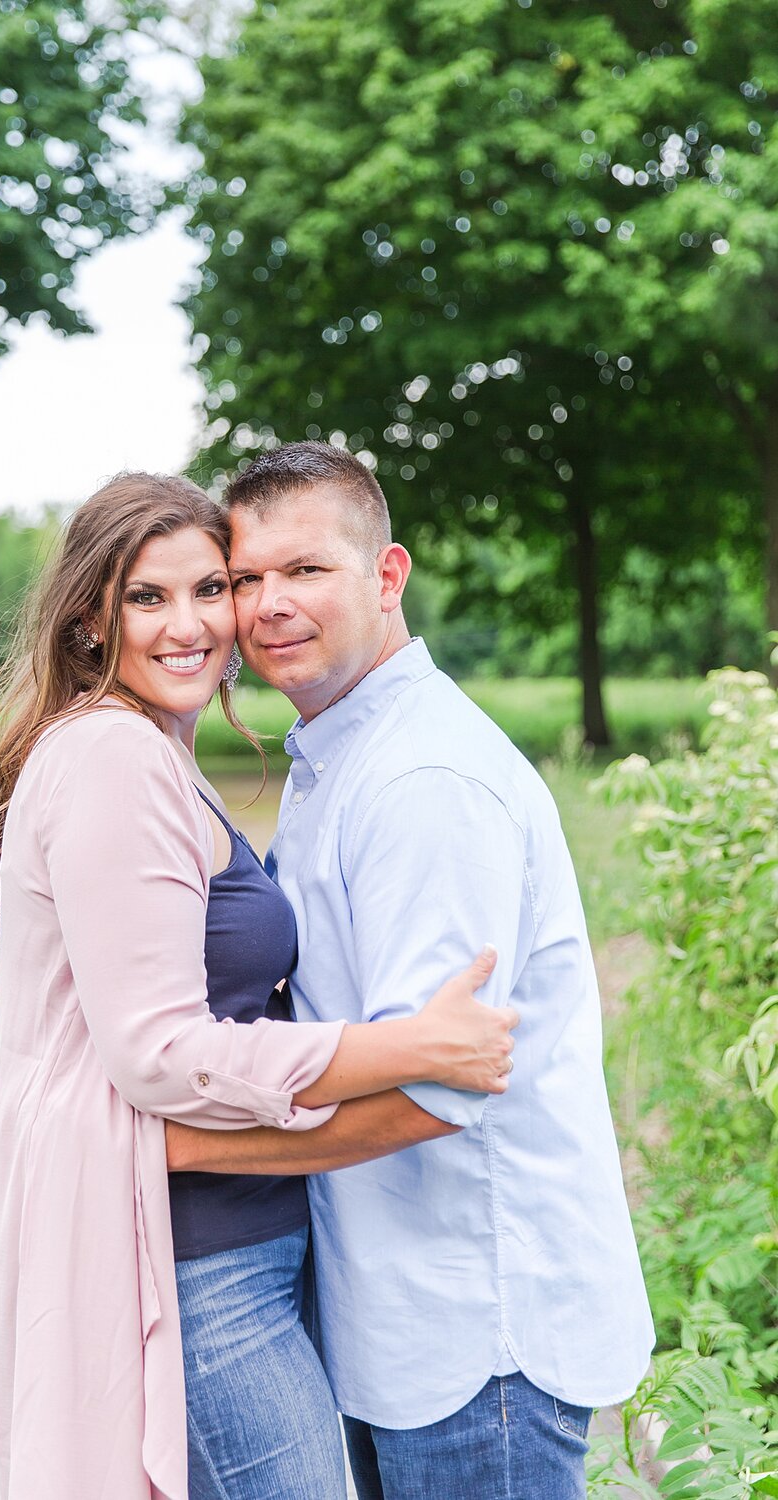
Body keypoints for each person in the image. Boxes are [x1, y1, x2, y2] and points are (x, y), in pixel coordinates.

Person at [0, 472, 517, 1500]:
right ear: (89, 620)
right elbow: (162, 1053)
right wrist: (413, 1048)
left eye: (211, 590)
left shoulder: (157, 758)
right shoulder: (115, 759)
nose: (191, 625)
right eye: (147, 598)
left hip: (239, 1237)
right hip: (201, 1264)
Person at [176, 441, 656, 1499]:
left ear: (385, 577)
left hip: (476, 1327)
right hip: (400, 1313)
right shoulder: (339, 753)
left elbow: (437, 1090)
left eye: (305, 571)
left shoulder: (422, 779)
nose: (268, 606)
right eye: (245, 579)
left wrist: (180, 1151)